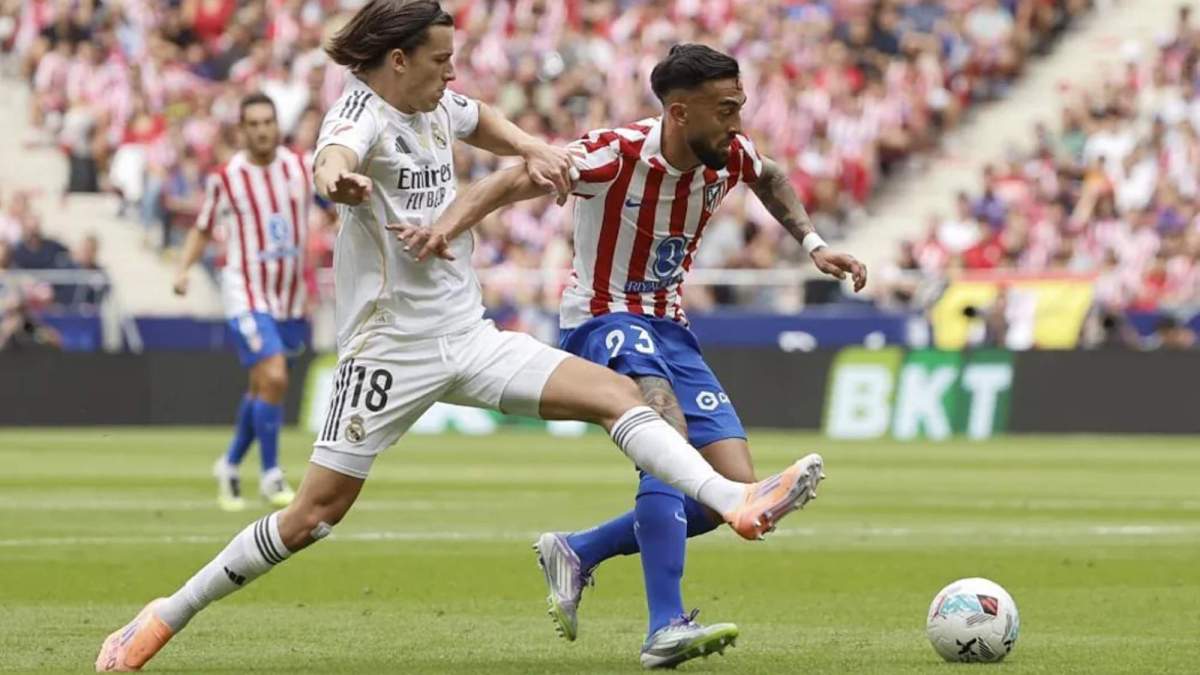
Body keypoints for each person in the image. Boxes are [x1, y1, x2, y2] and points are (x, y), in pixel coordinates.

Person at [95, 3, 822, 671]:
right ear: (399, 60)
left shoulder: (437, 102)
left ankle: (733, 501)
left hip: (468, 335)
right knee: (312, 516)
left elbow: (484, 119)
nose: (452, 72)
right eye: (441, 59)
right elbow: (332, 157)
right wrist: (338, 180)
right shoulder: (360, 114)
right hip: (387, 352)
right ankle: (163, 615)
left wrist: (533, 146)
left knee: (618, 396)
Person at [400, 42, 865, 669]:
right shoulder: (614, 155)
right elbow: (511, 179)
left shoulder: (729, 153)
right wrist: (444, 229)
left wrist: (814, 244)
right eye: (725, 110)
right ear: (679, 113)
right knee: (664, 433)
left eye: (740, 106)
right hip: (604, 317)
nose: (737, 123)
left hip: (670, 326)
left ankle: (579, 550)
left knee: (727, 491)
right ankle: (664, 625)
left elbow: (771, 176)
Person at [173, 92, 313, 512]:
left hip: (291, 296)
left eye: (268, 122)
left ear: (277, 125)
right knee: (274, 376)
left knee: (263, 386)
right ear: (242, 130)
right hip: (246, 290)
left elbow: (334, 199)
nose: (262, 130)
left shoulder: (300, 167)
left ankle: (230, 464)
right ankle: (271, 476)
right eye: (253, 124)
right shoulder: (228, 178)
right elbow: (203, 227)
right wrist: (183, 269)